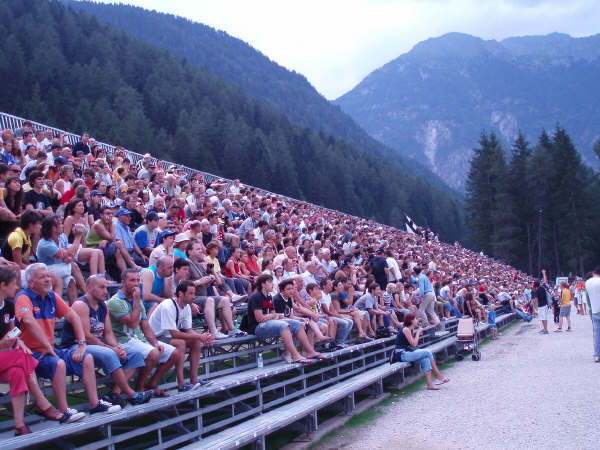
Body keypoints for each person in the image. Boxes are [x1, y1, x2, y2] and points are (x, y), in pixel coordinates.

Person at [14, 263, 121, 421]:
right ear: (31, 283)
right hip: (31, 353)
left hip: (50, 351)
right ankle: (64, 411)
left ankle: (94, 404)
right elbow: (29, 321)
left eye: (48, 276)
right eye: (42, 277)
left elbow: (73, 316)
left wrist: (82, 344)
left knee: (87, 358)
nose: (47, 280)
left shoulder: (52, 296)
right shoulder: (23, 297)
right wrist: (47, 346)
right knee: (59, 364)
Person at [0, 266, 71, 435]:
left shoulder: (8, 305)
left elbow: (12, 332)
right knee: (22, 357)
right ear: (2, 285)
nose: (17, 287)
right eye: (13, 284)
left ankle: (19, 425)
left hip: (4, 359)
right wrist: (2, 343)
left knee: (17, 372)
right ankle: (43, 403)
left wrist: (18, 341)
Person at [64, 275, 152, 406]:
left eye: (106, 287)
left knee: (135, 355)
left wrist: (117, 347)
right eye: (101, 287)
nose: (105, 291)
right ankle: (132, 394)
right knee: (110, 353)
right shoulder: (81, 305)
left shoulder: (103, 305)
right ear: (89, 287)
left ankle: (113, 394)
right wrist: (111, 349)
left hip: (98, 345)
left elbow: (109, 333)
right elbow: (86, 336)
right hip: (77, 346)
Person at [107, 269, 182, 397]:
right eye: (132, 280)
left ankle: (152, 384)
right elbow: (132, 323)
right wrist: (137, 300)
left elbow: (145, 326)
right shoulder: (115, 301)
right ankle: (139, 388)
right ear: (123, 282)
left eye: (138, 280)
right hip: (124, 340)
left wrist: (155, 343)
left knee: (174, 353)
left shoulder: (137, 300)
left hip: (139, 339)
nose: (136, 284)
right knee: (153, 354)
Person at [148, 280, 214, 391]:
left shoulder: (187, 307)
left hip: (167, 336)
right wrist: (199, 336)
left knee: (196, 342)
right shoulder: (167, 306)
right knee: (181, 343)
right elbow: (174, 333)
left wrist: (204, 337)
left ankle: (194, 380)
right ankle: (181, 384)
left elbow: (188, 330)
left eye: (194, 293)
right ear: (180, 294)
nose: (194, 297)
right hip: (154, 337)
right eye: (191, 293)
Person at [245, 274, 326, 364]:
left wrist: (271, 316)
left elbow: (273, 314)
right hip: (257, 327)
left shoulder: (268, 297)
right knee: (284, 325)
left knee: (297, 324)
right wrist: (271, 316)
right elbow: (260, 319)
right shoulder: (256, 297)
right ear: (263, 285)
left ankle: (310, 352)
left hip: (268, 323)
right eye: (270, 282)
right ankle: (295, 356)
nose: (273, 284)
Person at [393, 313, 449, 390]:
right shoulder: (406, 329)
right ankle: (437, 374)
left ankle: (430, 384)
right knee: (427, 352)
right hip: (402, 354)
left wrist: (417, 333)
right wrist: (418, 333)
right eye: (415, 319)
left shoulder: (410, 329)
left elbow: (413, 345)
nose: (417, 320)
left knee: (425, 359)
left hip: (408, 352)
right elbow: (414, 344)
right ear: (411, 321)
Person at [584, 266, 600, 363]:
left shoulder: (588, 283)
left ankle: (597, 355)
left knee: (597, 334)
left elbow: (588, 298)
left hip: (594, 310)